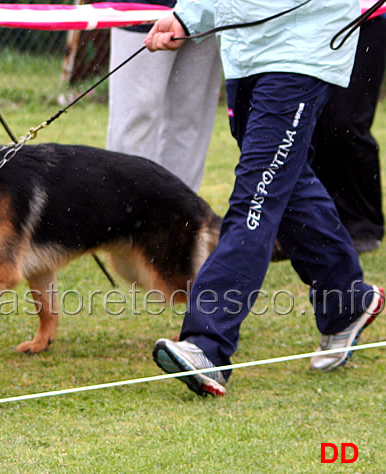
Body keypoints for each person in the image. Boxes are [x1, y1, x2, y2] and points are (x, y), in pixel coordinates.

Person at [145, 0, 384, 396]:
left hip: (302, 48)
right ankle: (345, 300)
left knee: (256, 194)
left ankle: (207, 343)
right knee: (284, 182)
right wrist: (187, 14)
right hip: (245, 52)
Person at [106, 0, 222, 192]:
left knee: (191, 119)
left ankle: (184, 215)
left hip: (208, 9)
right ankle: (127, 213)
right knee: (135, 121)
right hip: (143, 7)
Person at [311, 16, 386, 254]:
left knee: (346, 122)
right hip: (309, 20)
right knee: (314, 124)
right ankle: (321, 222)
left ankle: (363, 223)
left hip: (365, 17)